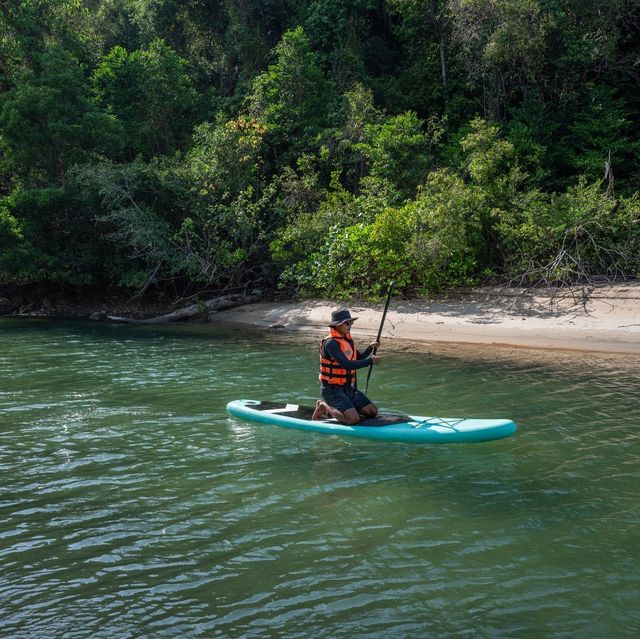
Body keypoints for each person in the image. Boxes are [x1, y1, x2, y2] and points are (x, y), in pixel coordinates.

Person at [311, 308, 382, 424]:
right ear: (337, 325)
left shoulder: (346, 340)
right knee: (352, 419)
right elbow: (347, 365)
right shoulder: (331, 343)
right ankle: (324, 406)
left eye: (351, 322)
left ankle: (348, 407)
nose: (350, 325)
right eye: (347, 323)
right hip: (332, 390)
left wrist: (370, 348)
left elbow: (358, 357)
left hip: (348, 388)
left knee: (372, 412)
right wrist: (371, 361)